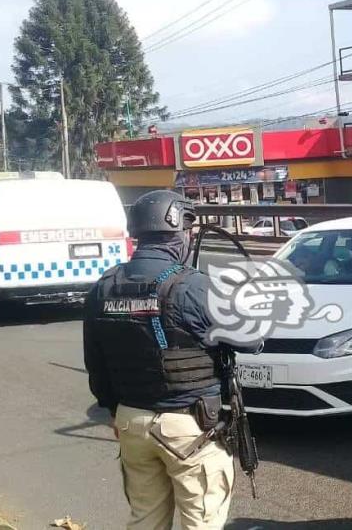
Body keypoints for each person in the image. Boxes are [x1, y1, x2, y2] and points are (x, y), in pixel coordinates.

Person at [84, 190, 247, 529]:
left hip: (130, 423)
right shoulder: (194, 287)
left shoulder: (104, 287)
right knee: (201, 522)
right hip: (189, 429)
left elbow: (95, 365)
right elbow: (252, 340)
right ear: (178, 232)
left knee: (144, 520)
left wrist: (114, 410)